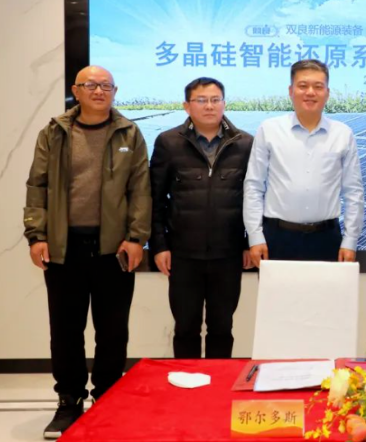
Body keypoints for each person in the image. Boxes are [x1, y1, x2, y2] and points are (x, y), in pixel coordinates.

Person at [23, 65, 151, 439]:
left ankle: (108, 397)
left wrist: (136, 237)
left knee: (112, 331)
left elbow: (140, 189)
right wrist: (36, 235)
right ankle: (69, 401)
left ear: (115, 91)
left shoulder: (129, 133)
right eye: (90, 85)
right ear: (75, 91)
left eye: (106, 85)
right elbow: (37, 185)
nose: (99, 91)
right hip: (64, 249)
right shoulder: (54, 132)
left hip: (114, 250)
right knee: (65, 330)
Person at [150, 77, 254, 359]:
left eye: (215, 100)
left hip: (228, 254)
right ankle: (187, 384)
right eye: (201, 100)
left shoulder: (245, 143)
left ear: (224, 103)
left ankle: (218, 385)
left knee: (222, 328)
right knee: (185, 328)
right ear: (187, 106)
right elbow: (155, 199)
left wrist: (249, 243)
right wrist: (159, 245)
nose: (209, 106)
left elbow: (253, 199)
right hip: (183, 255)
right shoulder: (169, 142)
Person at [244, 59, 363, 264]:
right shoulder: (269, 129)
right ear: (291, 91)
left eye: (318, 86)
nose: (310, 92)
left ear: (327, 93)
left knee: (327, 288)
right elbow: (254, 186)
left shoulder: (343, 134)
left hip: (327, 239)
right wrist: (255, 236)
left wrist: (350, 240)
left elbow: (353, 192)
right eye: (303, 86)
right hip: (277, 238)